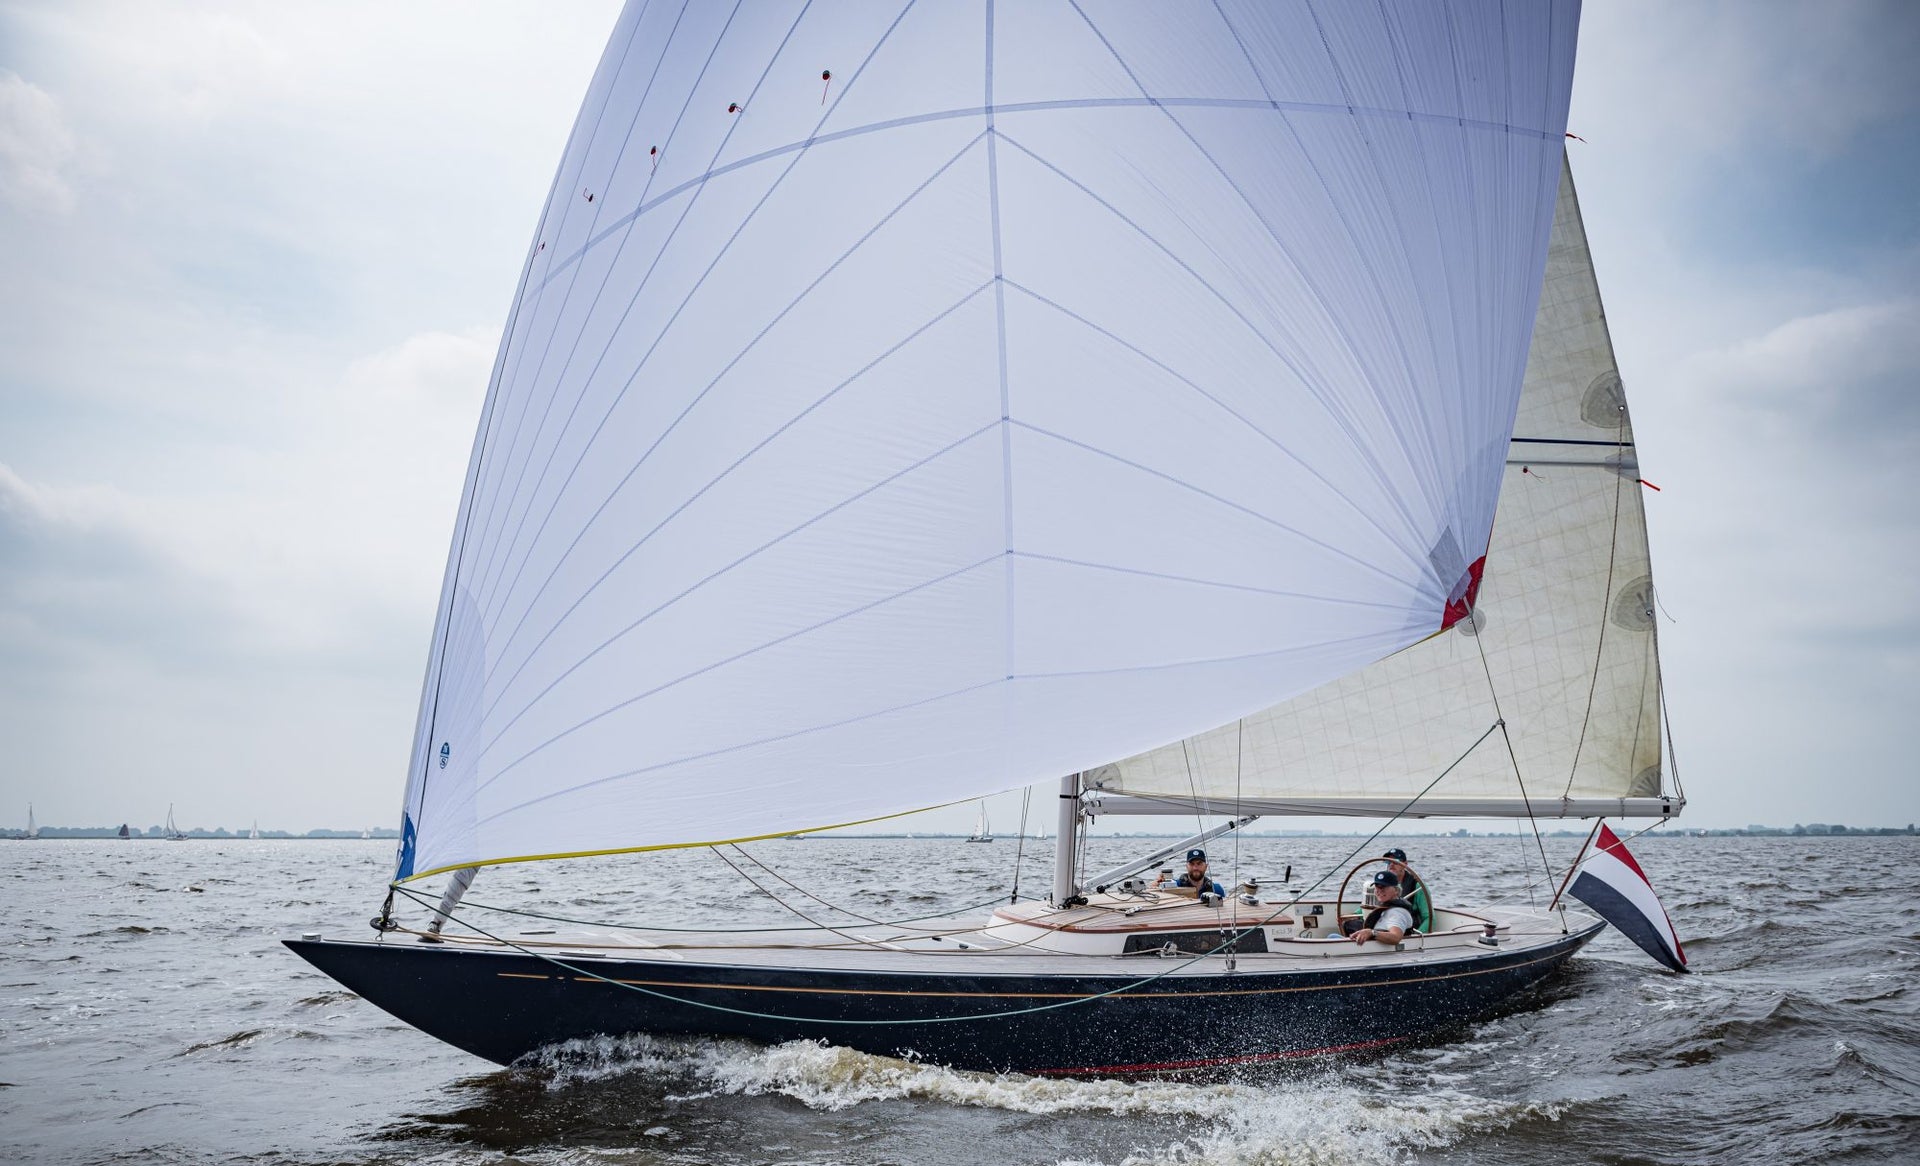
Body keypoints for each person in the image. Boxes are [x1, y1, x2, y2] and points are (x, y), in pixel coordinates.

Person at [1341, 871, 1415, 944]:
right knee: (1349, 924)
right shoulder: (1387, 906)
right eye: (1377, 886)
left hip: (1379, 951)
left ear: (1396, 890)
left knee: (1333, 937)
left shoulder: (1397, 913)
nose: (1379, 890)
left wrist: (1372, 933)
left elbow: (1396, 937)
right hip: (1372, 947)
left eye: (1383, 887)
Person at [1383, 848, 1433, 933]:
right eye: (1388, 861)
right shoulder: (1381, 885)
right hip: (1384, 927)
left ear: (1405, 864)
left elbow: (1429, 918)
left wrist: (1416, 938)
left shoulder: (1418, 886)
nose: (1391, 865)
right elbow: (1371, 905)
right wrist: (1356, 914)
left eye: (1395, 861)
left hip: (1407, 932)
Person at [1154, 848, 1227, 899]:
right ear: (1186, 866)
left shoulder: (1217, 889)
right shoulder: (1174, 886)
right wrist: (1156, 886)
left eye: (1199, 864)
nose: (1195, 868)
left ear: (1206, 866)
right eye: (1192, 864)